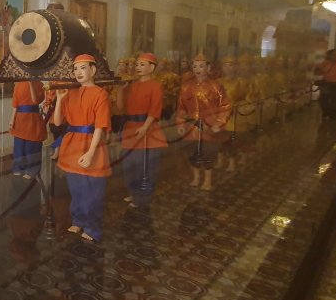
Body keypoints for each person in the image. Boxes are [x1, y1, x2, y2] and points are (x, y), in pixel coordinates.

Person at [53, 54, 111, 241]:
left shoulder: (101, 94)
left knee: (93, 190)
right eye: (75, 69)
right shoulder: (71, 93)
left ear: (92, 70)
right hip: (72, 145)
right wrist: (59, 100)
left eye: (83, 68)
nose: (78, 72)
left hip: (91, 144)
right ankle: (78, 220)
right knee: (76, 188)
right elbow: (57, 122)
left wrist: (91, 152)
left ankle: (92, 227)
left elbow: (100, 126)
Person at [117, 53, 167, 209]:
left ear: (151, 68)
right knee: (129, 165)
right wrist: (120, 90)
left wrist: (145, 127)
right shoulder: (130, 85)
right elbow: (120, 107)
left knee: (145, 167)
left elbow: (155, 109)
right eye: (137, 64)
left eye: (142, 64)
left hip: (148, 130)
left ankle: (142, 198)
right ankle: (133, 193)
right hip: (130, 129)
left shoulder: (156, 86)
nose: (138, 67)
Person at [176, 53, 231, 192]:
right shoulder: (186, 87)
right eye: (195, 66)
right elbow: (181, 107)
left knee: (208, 153)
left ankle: (207, 180)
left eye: (201, 66)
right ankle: (196, 177)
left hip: (209, 127)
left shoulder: (216, 86)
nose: (197, 69)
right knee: (192, 152)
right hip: (191, 126)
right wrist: (180, 123)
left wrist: (218, 123)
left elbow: (225, 106)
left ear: (208, 68)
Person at [9, 79, 46, 179]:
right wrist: (12, 119)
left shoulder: (40, 84)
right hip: (20, 119)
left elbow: (36, 101)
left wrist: (31, 85)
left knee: (32, 146)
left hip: (33, 119)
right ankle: (18, 168)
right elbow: (15, 104)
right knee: (19, 146)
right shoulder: (18, 84)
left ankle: (32, 170)